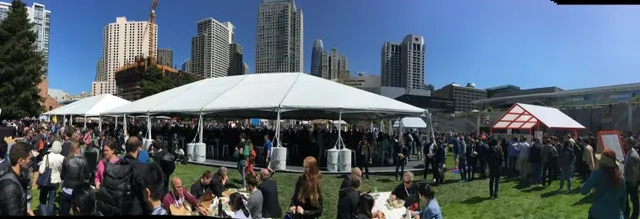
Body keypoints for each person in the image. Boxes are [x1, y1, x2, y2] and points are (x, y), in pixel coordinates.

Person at [96, 136, 151, 215]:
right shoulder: (142, 168)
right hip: (133, 209)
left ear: (126, 148)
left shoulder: (115, 165)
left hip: (117, 207)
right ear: (139, 148)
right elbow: (146, 196)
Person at [580, 149, 626, 219]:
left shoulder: (597, 174)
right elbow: (623, 199)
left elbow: (583, 191)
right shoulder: (620, 177)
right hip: (616, 214)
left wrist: (589, 178)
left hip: (598, 214)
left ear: (602, 162)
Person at [0, 142, 33, 216]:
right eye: (29, 159)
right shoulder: (11, 187)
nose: (30, 162)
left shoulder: (18, 176)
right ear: (21, 161)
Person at [60, 141, 91, 216]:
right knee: (78, 212)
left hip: (67, 189)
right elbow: (87, 175)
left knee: (65, 211)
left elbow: (62, 176)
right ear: (77, 149)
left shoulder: (66, 159)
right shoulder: (84, 160)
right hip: (78, 190)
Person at [38, 140, 64, 216]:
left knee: (43, 200)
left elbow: (41, 170)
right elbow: (62, 170)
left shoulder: (47, 156)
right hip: (55, 181)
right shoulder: (62, 158)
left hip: (46, 180)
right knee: (51, 201)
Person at [624, 138, 640, 219]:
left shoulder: (633, 155)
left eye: (626, 143)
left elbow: (636, 171)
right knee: (625, 198)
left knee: (634, 199)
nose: (624, 144)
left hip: (632, 181)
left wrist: (634, 182)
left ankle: (635, 215)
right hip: (627, 180)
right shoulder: (628, 152)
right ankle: (626, 213)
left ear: (630, 144)